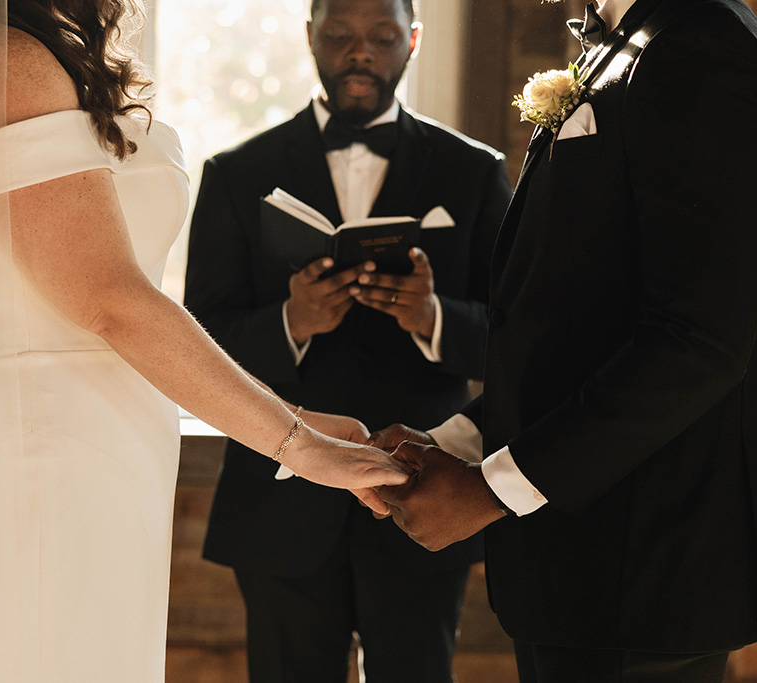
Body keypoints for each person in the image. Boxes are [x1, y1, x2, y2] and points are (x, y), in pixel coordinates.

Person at [0, 0, 409, 681]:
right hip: (37, 449)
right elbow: (110, 303)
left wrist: (295, 420)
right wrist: (296, 445)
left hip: (91, 444)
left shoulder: (43, 52)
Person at [371, 0, 757, 681]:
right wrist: (454, 444)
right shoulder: (632, 41)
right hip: (581, 577)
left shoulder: (703, 45)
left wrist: (493, 489)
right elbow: (579, 327)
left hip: (642, 574)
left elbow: (697, 341)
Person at [184, 0, 512, 680]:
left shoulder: (474, 172)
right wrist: (291, 323)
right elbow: (196, 343)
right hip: (280, 504)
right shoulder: (236, 174)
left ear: (413, 40)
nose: (359, 53)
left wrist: (435, 319)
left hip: (425, 492)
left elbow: (523, 343)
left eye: (382, 37)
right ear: (310, 38)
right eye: (339, 35)